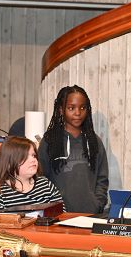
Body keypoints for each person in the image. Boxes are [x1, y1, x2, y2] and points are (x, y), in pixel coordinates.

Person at [0, 136, 63, 245]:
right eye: (25, 157)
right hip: (1, 247)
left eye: (34, 155)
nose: (33, 160)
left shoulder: (45, 185)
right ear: (9, 162)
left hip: (39, 244)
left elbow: (61, 216)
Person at [39, 85, 109, 213]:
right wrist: (50, 206)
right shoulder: (50, 141)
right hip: (58, 215)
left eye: (82, 108)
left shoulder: (94, 142)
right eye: (71, 108)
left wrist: (97, 203)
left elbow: (102, 178)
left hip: (90, 214)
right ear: (61, 110)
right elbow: (42, 177)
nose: (77, 113)